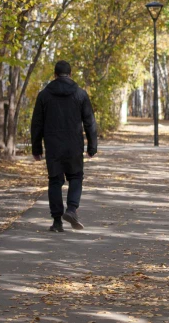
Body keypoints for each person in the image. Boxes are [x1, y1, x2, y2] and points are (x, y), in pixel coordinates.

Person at [31, 60, 98, 233]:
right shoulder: (80, 94)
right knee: (76, 177)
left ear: (54, 75)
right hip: (74, 145)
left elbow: (37, 124)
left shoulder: (44, 95)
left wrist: (36, 149)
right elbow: (89, 122)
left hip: (53, 146)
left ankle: (56, 222)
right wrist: (92, 146)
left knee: (55, 180)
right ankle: (72, 209)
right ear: (71, 74)